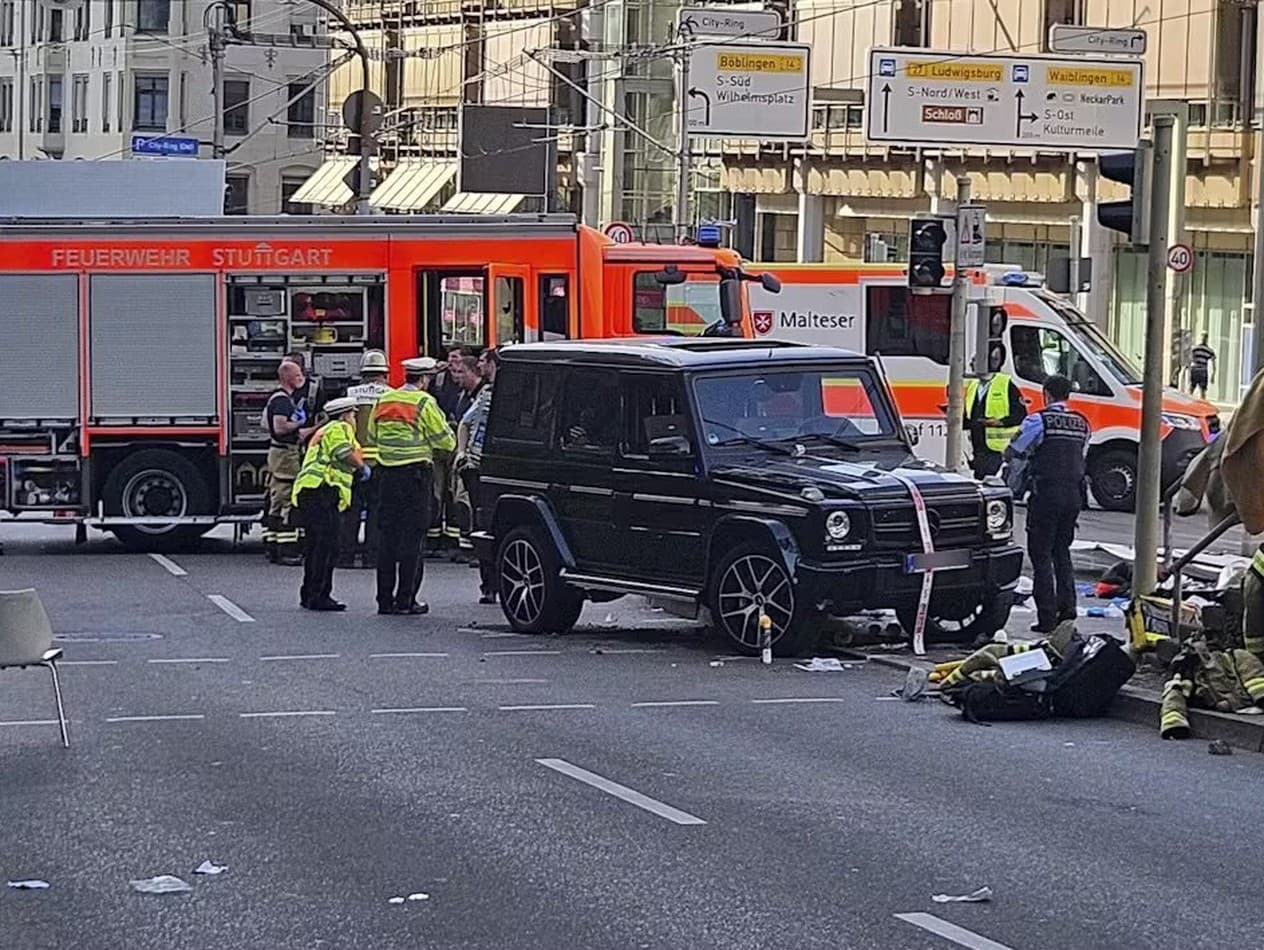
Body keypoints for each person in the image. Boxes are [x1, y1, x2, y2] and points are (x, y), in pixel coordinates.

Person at [369, 356, 456, 616]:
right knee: (412, 540)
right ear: (425, 379)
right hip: (415, 478)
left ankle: (384, 600)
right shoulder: (424, 402)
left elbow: (373, 435)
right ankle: (406, 599)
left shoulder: (384, 400)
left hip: (386, 477)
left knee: (387, 539)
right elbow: (445, 442)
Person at [1005, 374, 1091, 634]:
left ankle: (1046, 617)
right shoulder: (1081, 423)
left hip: (1046, 492)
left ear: (1047, 394)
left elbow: (1016, 448)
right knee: (1061, 551)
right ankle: (1068, 608)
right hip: (1073, 495)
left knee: (1040, 554)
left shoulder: (1038, 420)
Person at [291, 397, 369, 611]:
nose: (354, 419)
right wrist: (361, 467)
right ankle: (319, 595)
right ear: (345, 415)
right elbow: (342, 452)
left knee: (315, 546)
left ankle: (309, 593)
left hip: (311, 490)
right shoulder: (339, 427)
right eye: (353, 415)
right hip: (323, 490)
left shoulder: (324, 430)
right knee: (327, 547)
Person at [339, 349, 391, 569]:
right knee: (376, 512)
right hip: (380, 463)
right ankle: (372, 557)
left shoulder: (350, 394)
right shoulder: (390, 394)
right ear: (384, 373)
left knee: (350, 511)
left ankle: (346, 556)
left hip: (354, 462)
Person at [457, 348, 500, 603]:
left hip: (497, 466)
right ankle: (489, 586)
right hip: (476, 465)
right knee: (481, 525)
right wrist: (462, 453)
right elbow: (465, 422)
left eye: (483, 362)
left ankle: (497, 582)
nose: (480, 366)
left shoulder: (511, 393)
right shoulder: (484, 393)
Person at [263, 360, 314, 565]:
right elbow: (280, 427)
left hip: (278, 452)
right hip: (286, 456)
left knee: (275, 501)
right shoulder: (283, 401)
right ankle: (287, 551)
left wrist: (313, 427)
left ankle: (272, 547)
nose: (302, 378)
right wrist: (300, 423)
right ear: (288, 378)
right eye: (298, 375)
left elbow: (266, 424)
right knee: (288, 502)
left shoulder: (275, 398)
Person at [963, 371, 1026, 479]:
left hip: (996, 450)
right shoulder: (973, 386)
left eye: (975, 360)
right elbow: (970, 416)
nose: (972, 364)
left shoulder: (1005, 384)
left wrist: (1000, 422)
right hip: (978, 448)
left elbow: (1020, 414)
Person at [1190, 334, 1216, 399]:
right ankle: (1202, 403)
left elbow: (1190, 358)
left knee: (1192, 388)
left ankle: (1189, 401)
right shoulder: (1209, 350)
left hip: (1195, 369)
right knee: (1202, 390)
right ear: (1207, 339)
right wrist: (1213, 374)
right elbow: (1213, 362)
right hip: (1202, 370)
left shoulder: (1195, 348)